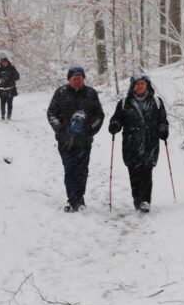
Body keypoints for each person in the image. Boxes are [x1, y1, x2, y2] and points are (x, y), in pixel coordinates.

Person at [107, 71, 169, 213]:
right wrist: (114, 125)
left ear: (147, 85)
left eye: (142, 83)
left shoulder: (156, 102)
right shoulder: (124, 103)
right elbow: (116, 119)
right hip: (131, 144)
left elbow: (163, 120)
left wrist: (163, 129)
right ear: (132, 86)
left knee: (147, 172)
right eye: (137, 84)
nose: (140, 86)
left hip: (150, 143)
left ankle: (145, 201)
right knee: (134, 174)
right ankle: (137, 200)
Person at [47, 65, 104, 212]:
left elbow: (99, 115)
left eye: (80, 78)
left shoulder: (91, 93)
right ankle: (72, 200)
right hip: (66, 141)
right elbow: (51, 114)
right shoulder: (60, 93)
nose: (77, 81)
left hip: (84, 141)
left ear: (84, 79)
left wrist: (91, 130)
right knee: (70, 169)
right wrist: (60, 130)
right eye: (74, 78)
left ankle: (80, 197)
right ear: (69, 80)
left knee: (82, 170)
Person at [0, 56, 20, 120]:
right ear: (1, 63)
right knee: (2, 103)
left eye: (5, 62)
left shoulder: (12, 68)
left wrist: (11, 77)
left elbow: (17, 77)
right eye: (3, 62)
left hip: (10, 88)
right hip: (2, 88)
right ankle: (2, 116)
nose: (4, 63)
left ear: (8, 62)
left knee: (10, 103)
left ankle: (9, 116)